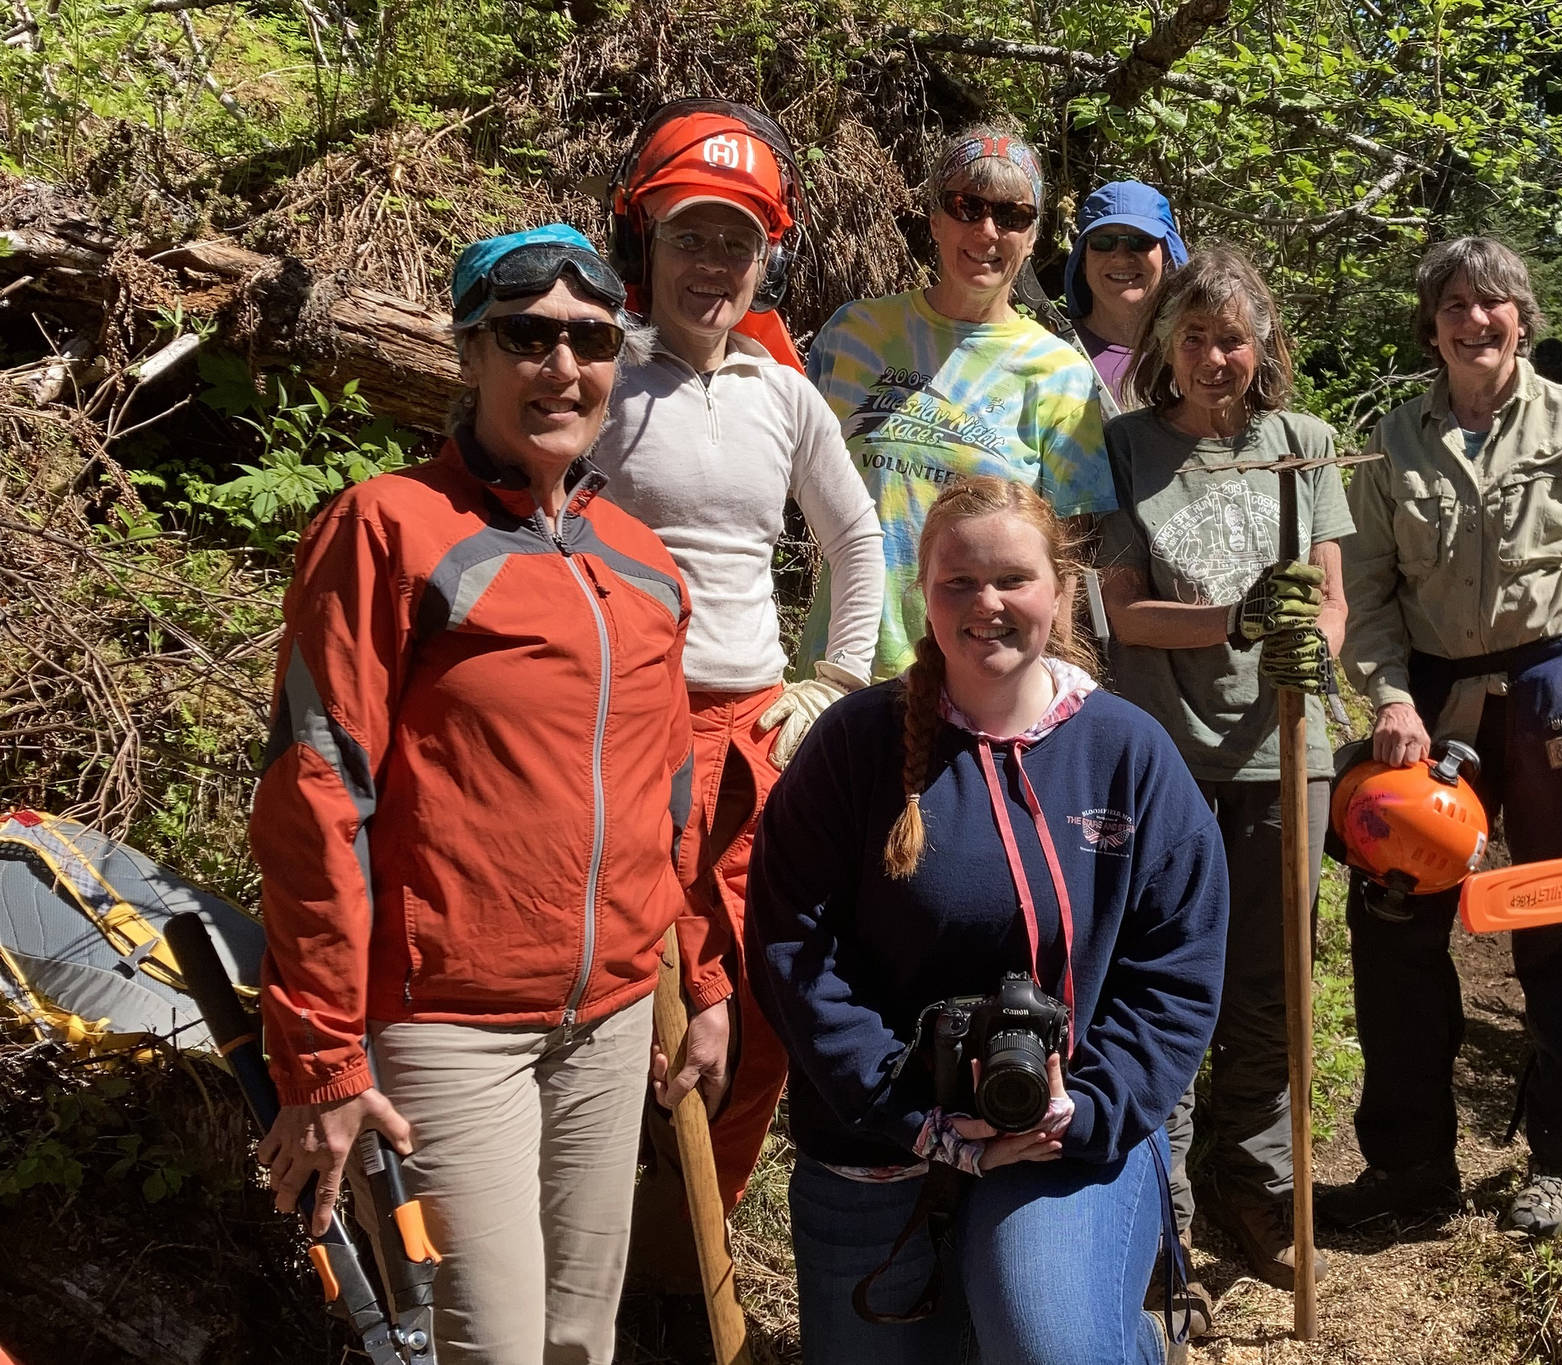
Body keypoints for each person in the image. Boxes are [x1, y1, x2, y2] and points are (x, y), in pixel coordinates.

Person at [251, 224, 691, 1364]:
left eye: (590, 339)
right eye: (526, 337)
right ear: (468, 354)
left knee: (580, 1344)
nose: (561, 367)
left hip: (609, 1020)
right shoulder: (391, 528)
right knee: (484, 1348)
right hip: (448, 1027)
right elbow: (315, 795)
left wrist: (701, 980)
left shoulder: (643, 563)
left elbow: (669, 800)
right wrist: (323, 1059)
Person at [745, 475, 1229, 1364]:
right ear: (921, 595)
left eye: (1013, 578)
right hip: (877, 1131)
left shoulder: (1126, 754)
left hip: (1068, 1134)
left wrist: (1082, 1110)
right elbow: (792, 947)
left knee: (1048, 1339)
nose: (987, 604)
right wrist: (909, 1110)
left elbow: (1176, 970)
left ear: (1063, 590)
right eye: (958, 583)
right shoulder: (856, 747)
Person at [1320, 236, 1562, 1241]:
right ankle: (1409, 1170)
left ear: (1522, 318)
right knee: (1394, 928)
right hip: (1431, 707)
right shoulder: (1389, 444)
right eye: (1452, 303)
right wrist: (1388, 701)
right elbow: (1363, 596)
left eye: (1491, 302)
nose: (1473, 318)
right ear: (1430, 324)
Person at [596, 100, 886, 1321]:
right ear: (643, 242)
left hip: (753, 730)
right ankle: (597, 1257)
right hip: (616, 734)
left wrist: (832, 685)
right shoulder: (595, 372)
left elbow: (856, 538)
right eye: (689, 237)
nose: (712, 265)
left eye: (736, 243)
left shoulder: (783, 393)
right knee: (626, 994)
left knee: (760, 991)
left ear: (764, 255)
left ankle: (693, 1247)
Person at [1096, 243, 1349, 1308]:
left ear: (1263, 346)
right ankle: (1151, 1223)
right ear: (1164, 347)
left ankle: (1253, 1198)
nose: (1212, 358)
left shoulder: (1305, 444)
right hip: (1165, 752)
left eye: (1231, 339)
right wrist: (1236, 617)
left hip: (1287, 749)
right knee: (1162, 979)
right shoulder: (1122, 450)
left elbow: (1333, 600)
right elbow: (1119, 611)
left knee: (1270, 983)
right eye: (1193, 338)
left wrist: (1313, 647)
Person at [801, 124, 1117, 679]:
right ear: (935, 218)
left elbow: (1063, 560)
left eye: (1012, 215)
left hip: (982, 676)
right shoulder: (853, 333)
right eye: (966, 206)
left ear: (1034, 234)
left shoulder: (1061, 374)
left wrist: (1054, 685)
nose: (987, 230)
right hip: (843, 666)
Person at [1063, 179, 1189, 405]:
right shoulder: (1052, 353)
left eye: (1140, 241)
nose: (1121, 257)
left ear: (1168, 256)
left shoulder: (1197, 355)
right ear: (1083, 260)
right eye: (1104, 241)